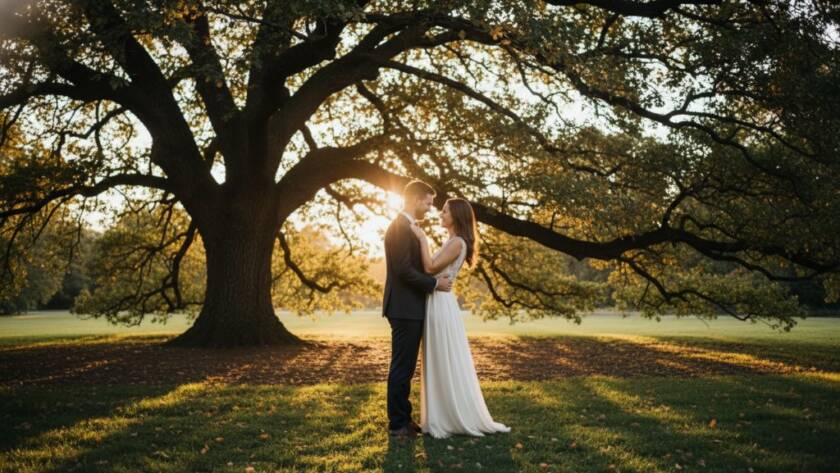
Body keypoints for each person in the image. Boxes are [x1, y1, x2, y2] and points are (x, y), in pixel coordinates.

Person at [409, 197, 511, 439]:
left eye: (445, 211)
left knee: (442, 356)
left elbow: (430, 268)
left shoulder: (457, 242)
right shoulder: (452, 241)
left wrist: (422, 238)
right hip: (437, 300)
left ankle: (446, 417)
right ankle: (439, 415)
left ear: (457, 216)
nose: (440, 215)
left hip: (441, 303)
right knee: (438, 357)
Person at [382, 180, 452, 438]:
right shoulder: (400, 227)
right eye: (428, 202)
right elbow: (403, 270)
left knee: (406, 366)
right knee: (401, 366)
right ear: (415, 199)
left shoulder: (407, 226)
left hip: (408, 306)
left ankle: (404, 418)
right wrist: (434, 283)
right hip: (404, 307)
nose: (431, 208)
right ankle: (397, 424)